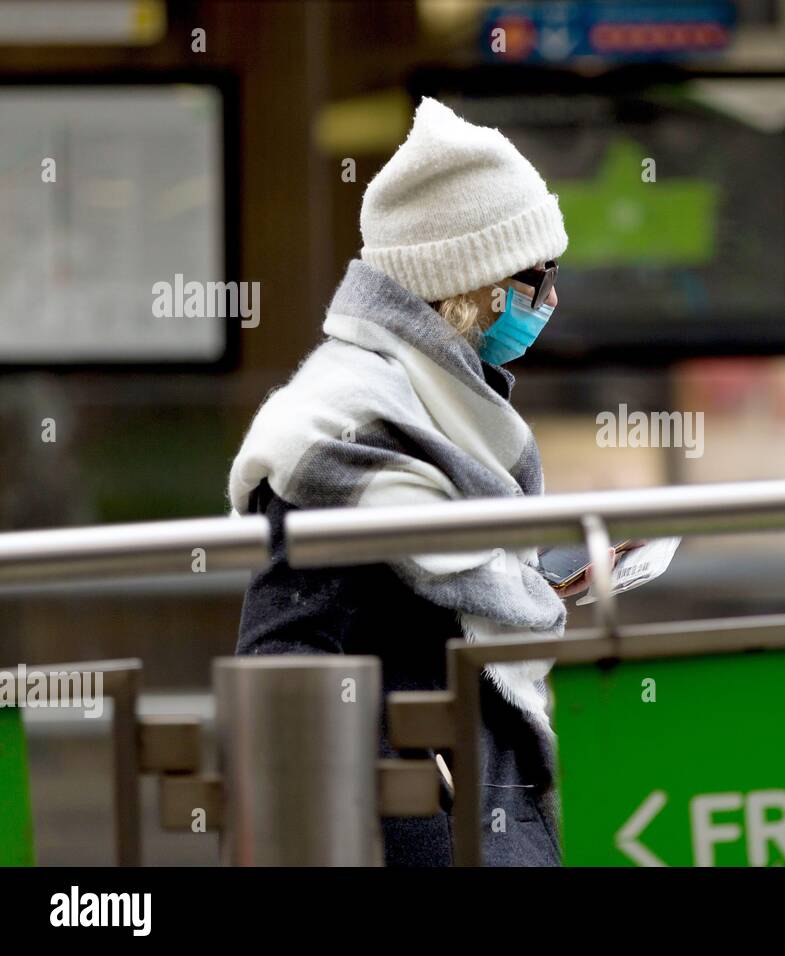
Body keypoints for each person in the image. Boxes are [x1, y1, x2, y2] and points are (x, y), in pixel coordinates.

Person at [227, 98, 592, 866]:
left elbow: (439, 591)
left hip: (481, 789)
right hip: (430, 819)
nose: (550, 301)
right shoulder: (338, 434)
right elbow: (282, 657)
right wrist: (400, 764)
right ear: (468, 287)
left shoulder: (437, 405)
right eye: (534, 277)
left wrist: (533, 589)